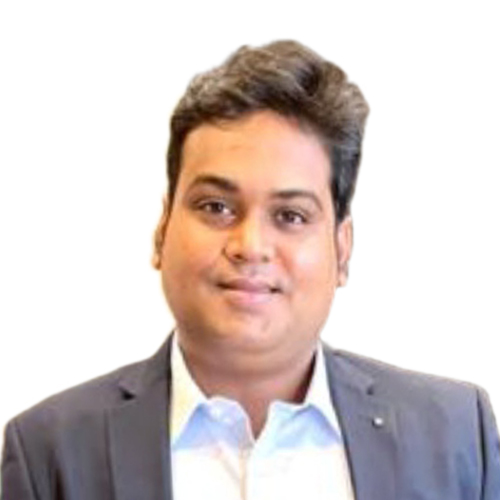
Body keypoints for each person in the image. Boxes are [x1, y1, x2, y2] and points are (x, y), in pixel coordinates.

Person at [1, 40, 499, 500]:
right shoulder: (50, 453)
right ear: (162, 229)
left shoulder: (456, 436)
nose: (250, 246)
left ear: (342, 248)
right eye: (216, 207)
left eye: (291, 216)